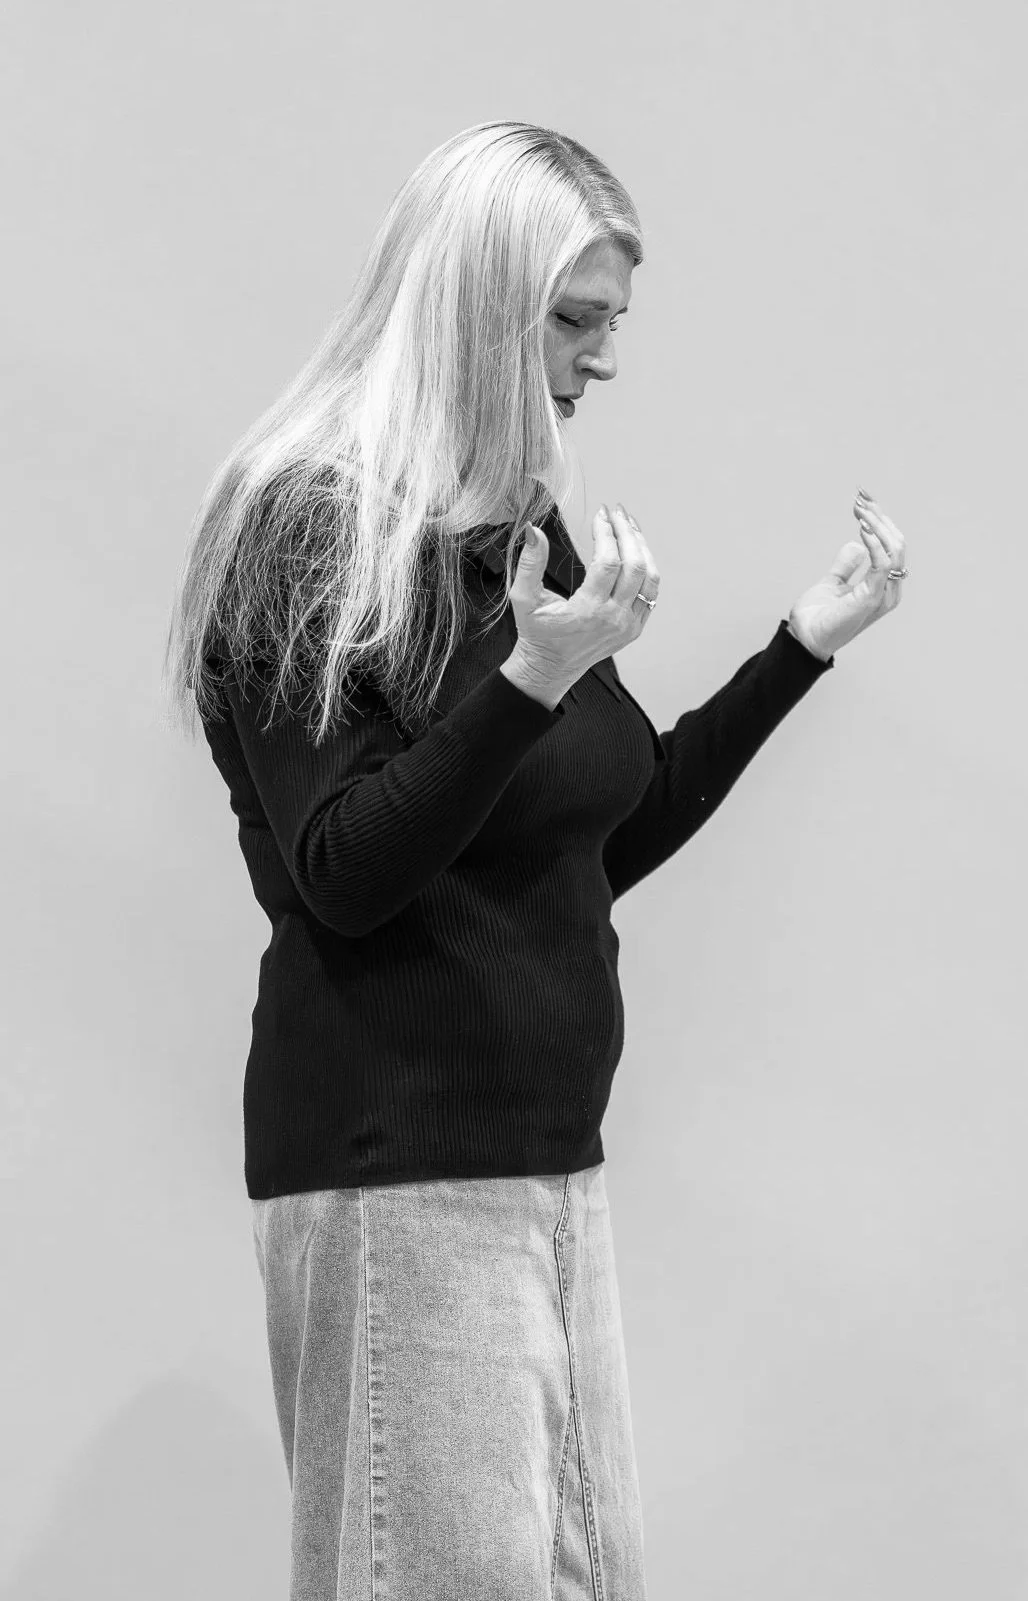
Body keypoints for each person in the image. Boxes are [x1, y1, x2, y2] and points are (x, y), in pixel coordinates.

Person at [161, 119, 907, 1601]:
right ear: (474, 306)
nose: (604, 359)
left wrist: (798, 650)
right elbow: (343, 871)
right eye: (574, 319)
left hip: (548, 1167)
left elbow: (595, 841)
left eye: (613, 321)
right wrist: (532, 679)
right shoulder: (304, 528)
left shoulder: (513, 540)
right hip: (396, 1176)